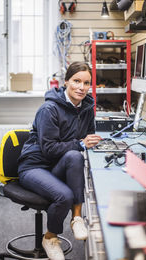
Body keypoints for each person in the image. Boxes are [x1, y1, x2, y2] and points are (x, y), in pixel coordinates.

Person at [18, 61, 102, 260]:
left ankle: (77, 218)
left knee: (74, 156)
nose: (82, 87)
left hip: (56, 164)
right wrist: (81, 144)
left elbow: (85, 139)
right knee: (64, 195)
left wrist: (91, 143)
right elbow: (49, 149)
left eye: (86, 83)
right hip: (34, 166)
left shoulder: (87, 108)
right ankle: (50, 238)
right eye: (76, 81)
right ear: (66, 82)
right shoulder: (49, 109)